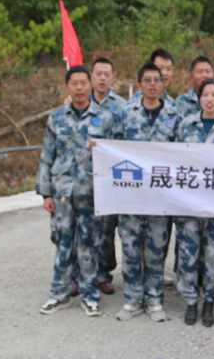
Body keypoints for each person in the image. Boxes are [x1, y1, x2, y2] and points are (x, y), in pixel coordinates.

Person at [37, 66, 121, 317]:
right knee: (63, 242)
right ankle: (58, 293)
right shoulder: (57, 118)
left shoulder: (104, 119)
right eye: (74, 83)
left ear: (90, 85)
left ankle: (90, 295)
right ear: (67, 87)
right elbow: (46, 156)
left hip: (91, 192)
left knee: (89, 244)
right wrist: (46, 193)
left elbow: (118, 154)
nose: (79, 88)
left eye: (84, 83)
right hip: (62, 192)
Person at [115, 62, 182, 323]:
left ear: (163, 84)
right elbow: (112, 146)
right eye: (148, 80)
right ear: (140, 83)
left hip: (160, 197)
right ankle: (132, 299)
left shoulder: (173, 115)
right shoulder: (125, 112)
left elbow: (182, 153)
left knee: (155, 249)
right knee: (131, 248)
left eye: (157, 80)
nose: (153, 84)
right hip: (130, 194)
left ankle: (154, 299)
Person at [173, 79, 214, 327]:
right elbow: (172, 159)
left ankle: (210, 301)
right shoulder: (186, 125)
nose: (210, 99)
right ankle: (190, 301)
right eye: (205, 94)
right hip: (188, 203)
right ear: (199, 98)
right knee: (188, 253)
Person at [89, 57, 126, 296]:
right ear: (92, 76)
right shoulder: (79, 103)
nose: (102, 78)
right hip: (86, 177)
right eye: (98, 73)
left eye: (106, 74)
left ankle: (104, 274)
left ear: (112, 78)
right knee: (86, 227)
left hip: (113, 178)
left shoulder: (123, 106)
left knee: (108, 227)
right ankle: (84, 273)